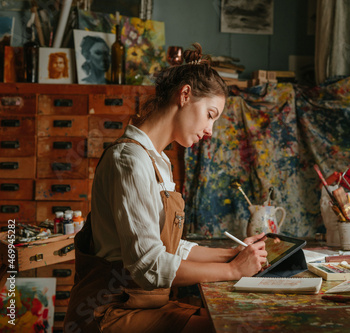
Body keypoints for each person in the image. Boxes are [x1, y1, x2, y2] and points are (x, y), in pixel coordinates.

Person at [64, 43, 267, 333]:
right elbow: (149, 266)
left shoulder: (157, 160)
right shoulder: (129, 161)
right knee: (230, 328)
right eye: (210, 114)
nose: (210, 130)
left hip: (143, 303)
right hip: (109, 311)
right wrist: (233, 270)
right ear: (185, 95)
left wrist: (234, 253)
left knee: (233, 319)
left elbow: (170, 247)